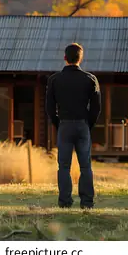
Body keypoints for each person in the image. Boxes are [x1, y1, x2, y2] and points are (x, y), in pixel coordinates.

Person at [45, 43, 101, 209]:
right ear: (80, 58)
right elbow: (96, 107)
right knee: (85, 166)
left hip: (64, 125)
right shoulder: (90, 79)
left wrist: (58, 123)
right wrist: (87, 124)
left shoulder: (54, 80)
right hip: (83, 124)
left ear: (65, 58)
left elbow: (49, 108)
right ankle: (87, 202)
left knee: (63, 166)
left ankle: (65, 201)